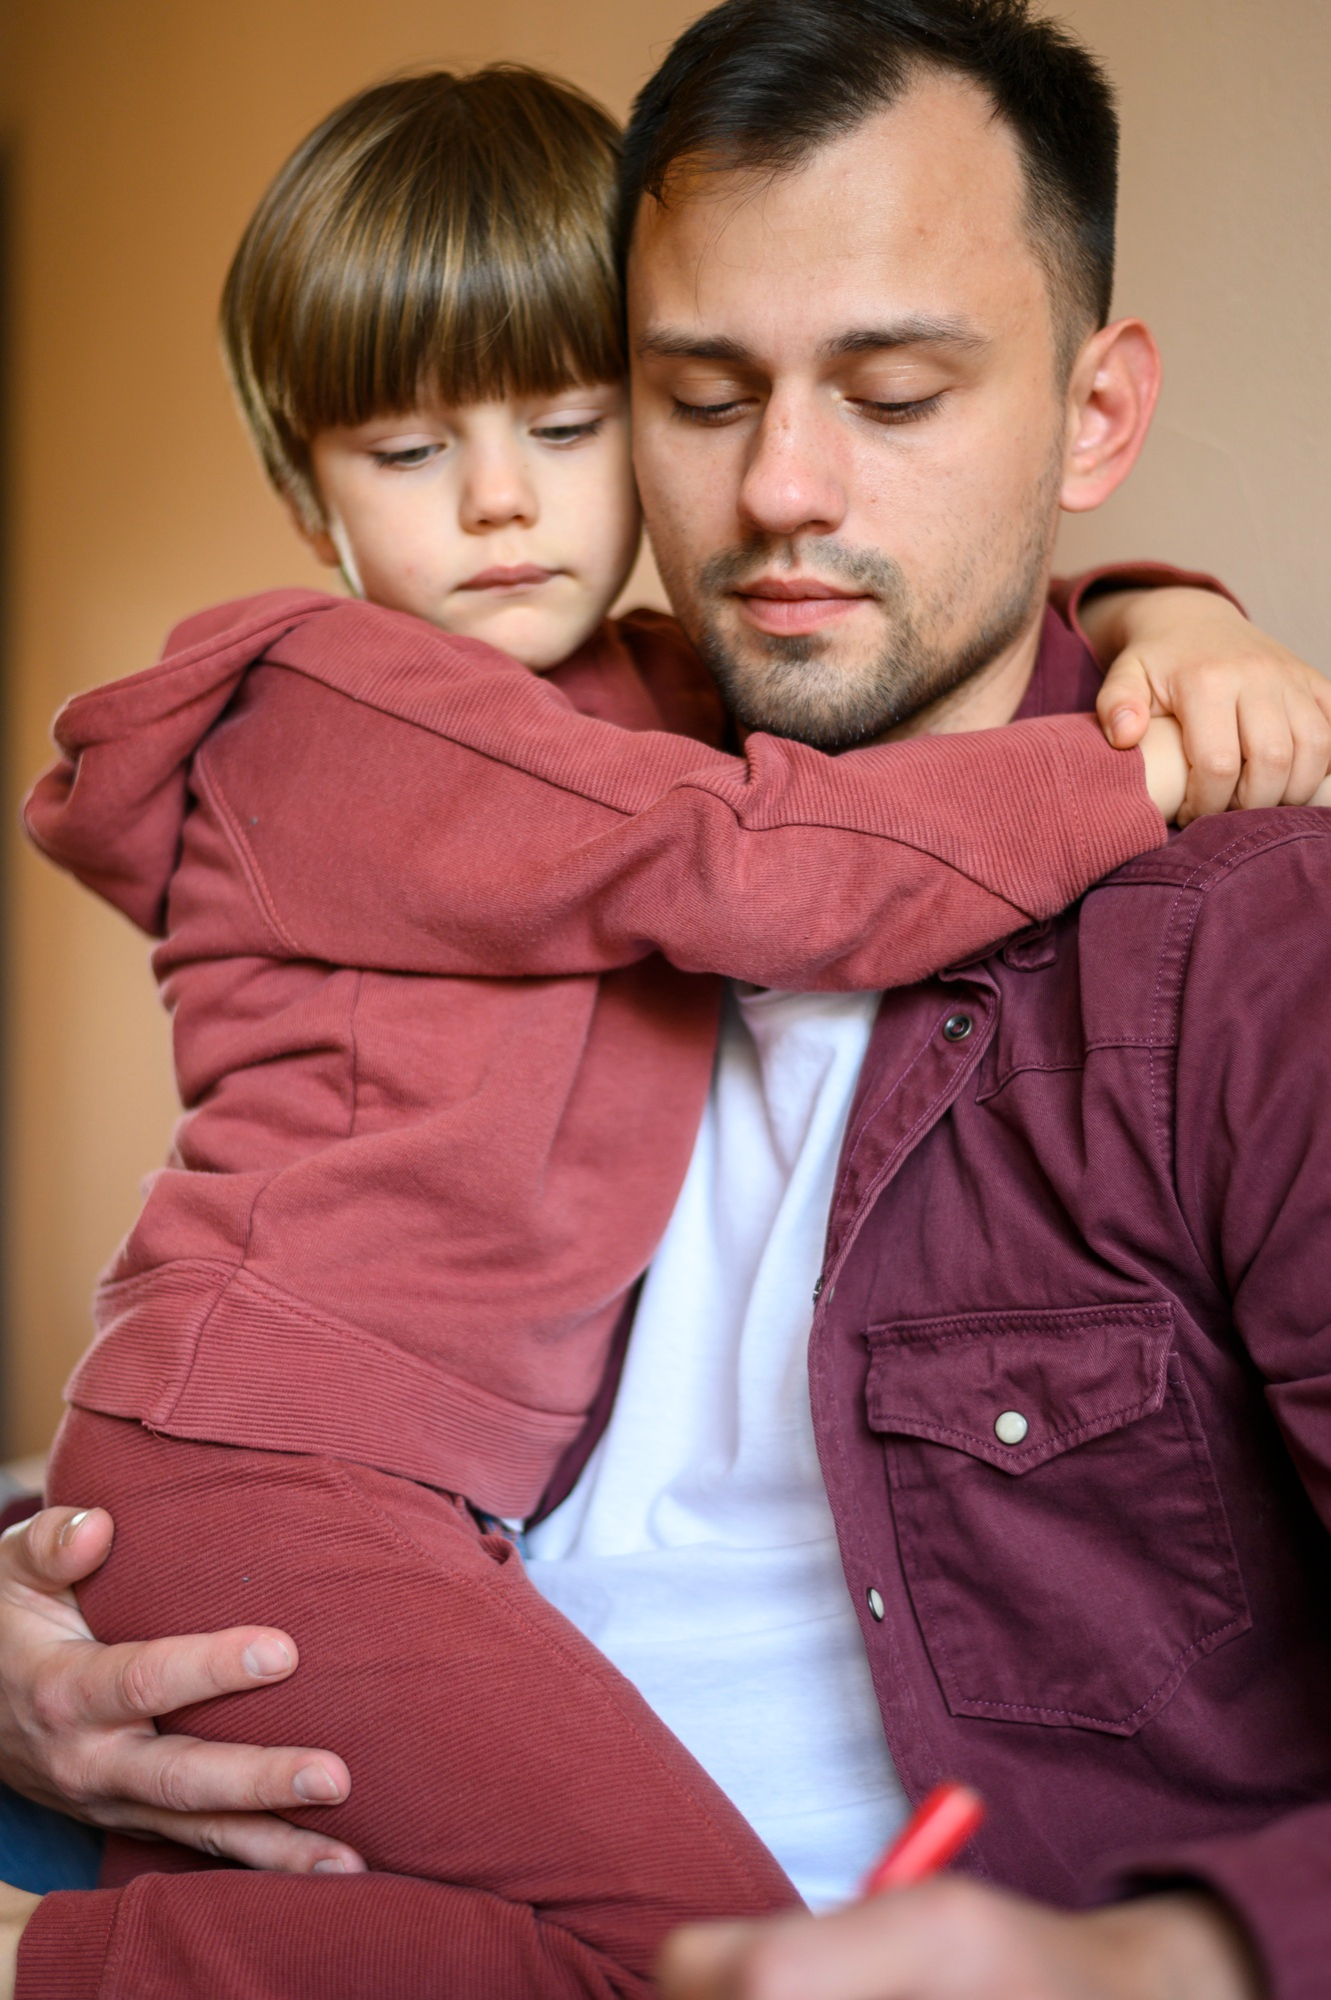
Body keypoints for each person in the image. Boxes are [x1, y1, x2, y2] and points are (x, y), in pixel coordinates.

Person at [3, 3, 1331, 1995]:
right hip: (375, 1699)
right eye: (699, 399)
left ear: (1091, 416)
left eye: (893, 393)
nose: (785, 493)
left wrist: (1158, 1963)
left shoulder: (1243, 949)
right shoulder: (571, 773)